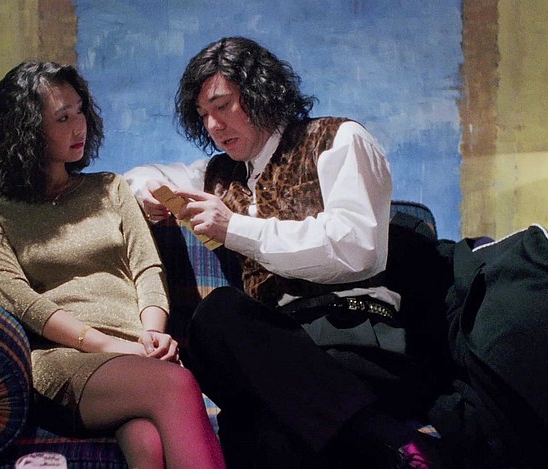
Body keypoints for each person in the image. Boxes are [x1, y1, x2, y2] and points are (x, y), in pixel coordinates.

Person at [125, 37, 441, 468]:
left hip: (351, 339)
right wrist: (148, 193)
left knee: (257, 426)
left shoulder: (338, 139)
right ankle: (391, 441)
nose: (213, 125)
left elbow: (357, 248)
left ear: (261, 92)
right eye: (203, 115)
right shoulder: (219, 175)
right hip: (272, 352)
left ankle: (381, 438)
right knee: (216, 320)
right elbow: (139, 177)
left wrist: (234, 228)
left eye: (222, 106)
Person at [0, 60, 225, 469]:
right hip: (66, 360)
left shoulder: (110, 187)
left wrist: (152, 334)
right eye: (63, 118)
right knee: (176, 384)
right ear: (26, 129)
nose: (79, 126)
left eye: (80, 111)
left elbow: (147, 268)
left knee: (148, 442)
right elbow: (20, 300)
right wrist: (109, 346)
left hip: (138, 354)